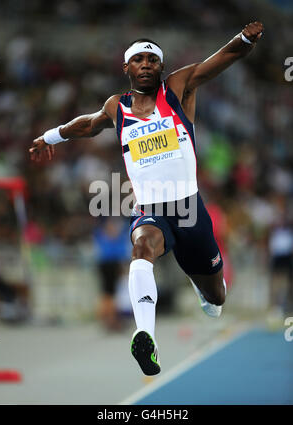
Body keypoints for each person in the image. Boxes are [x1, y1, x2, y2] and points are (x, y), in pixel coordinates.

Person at [29, 21, 264, 376]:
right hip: (152, 211)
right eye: (138, 60)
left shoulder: (178, 90)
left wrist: (245, 39)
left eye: (152, 60)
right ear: (126, 68)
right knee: (140, 246)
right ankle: (146, 337)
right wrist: (50, 137)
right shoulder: (116, 107)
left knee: (216, 298)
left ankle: (205, 291)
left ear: (161, 67)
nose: (145, 65)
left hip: (190, 212)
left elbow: (223, 57)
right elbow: (87, 124)